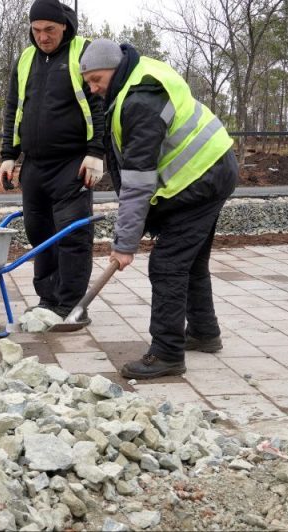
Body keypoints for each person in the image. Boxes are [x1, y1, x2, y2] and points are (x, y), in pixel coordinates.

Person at [79, 39, 238, 380]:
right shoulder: (134, 82)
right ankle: (204, 332)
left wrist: (124, 244)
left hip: (202, 177)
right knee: (190, 261)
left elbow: (138, 182)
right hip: (211, 168)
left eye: (96, 80)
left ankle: (166, 353)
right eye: (88, 82)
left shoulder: (140, 100)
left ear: (114, 69)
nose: (93, 89)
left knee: (168, 264)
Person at [0, 0, 106, 322]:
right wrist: (9, 155)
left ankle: (71, 306)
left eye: (50, 30)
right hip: (34, 165)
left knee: (72, 237)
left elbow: (99, 104)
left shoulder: (82, 52)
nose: (43, 37)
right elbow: (14, 108)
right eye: (36, 30)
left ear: (64, 26)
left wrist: (96, 152)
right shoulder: (26, 59)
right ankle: (48, 300)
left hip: (72, 164)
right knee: (39, 234)